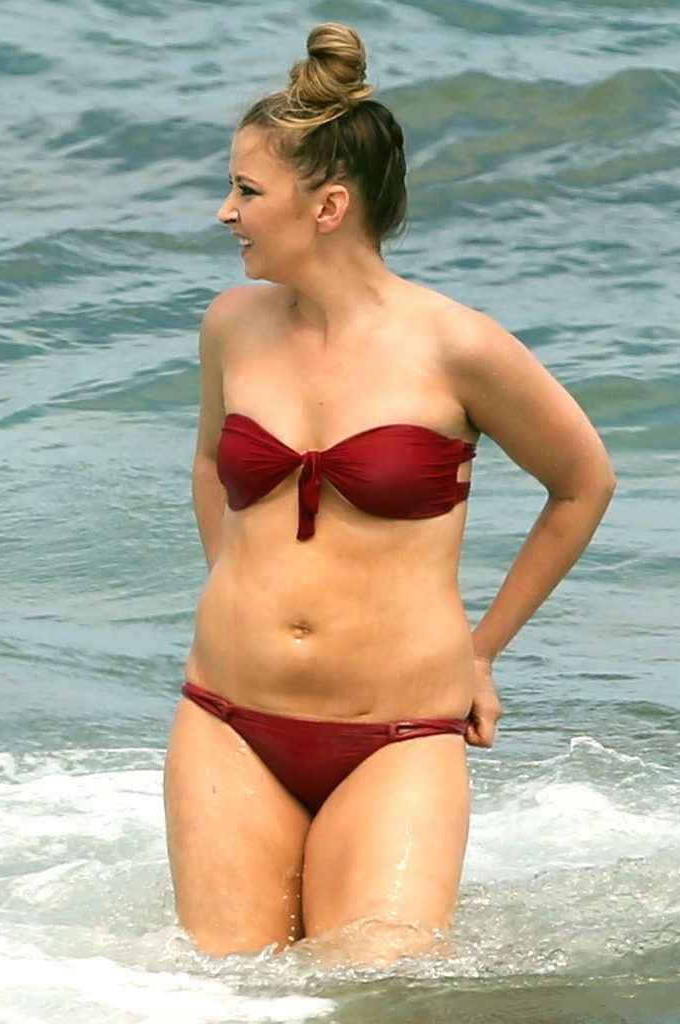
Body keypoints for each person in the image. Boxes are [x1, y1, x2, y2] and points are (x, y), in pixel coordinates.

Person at [163, 22, 616, 967]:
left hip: (396, 734)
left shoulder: (456, 346)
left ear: (328, 206)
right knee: (223, 993)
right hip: (226, 720)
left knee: (377, 987)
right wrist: (232, 586)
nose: (225, 212)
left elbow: (581, 484)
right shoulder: (231, 326)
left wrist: (480, 651)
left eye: (247, 190)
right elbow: (209, 463)